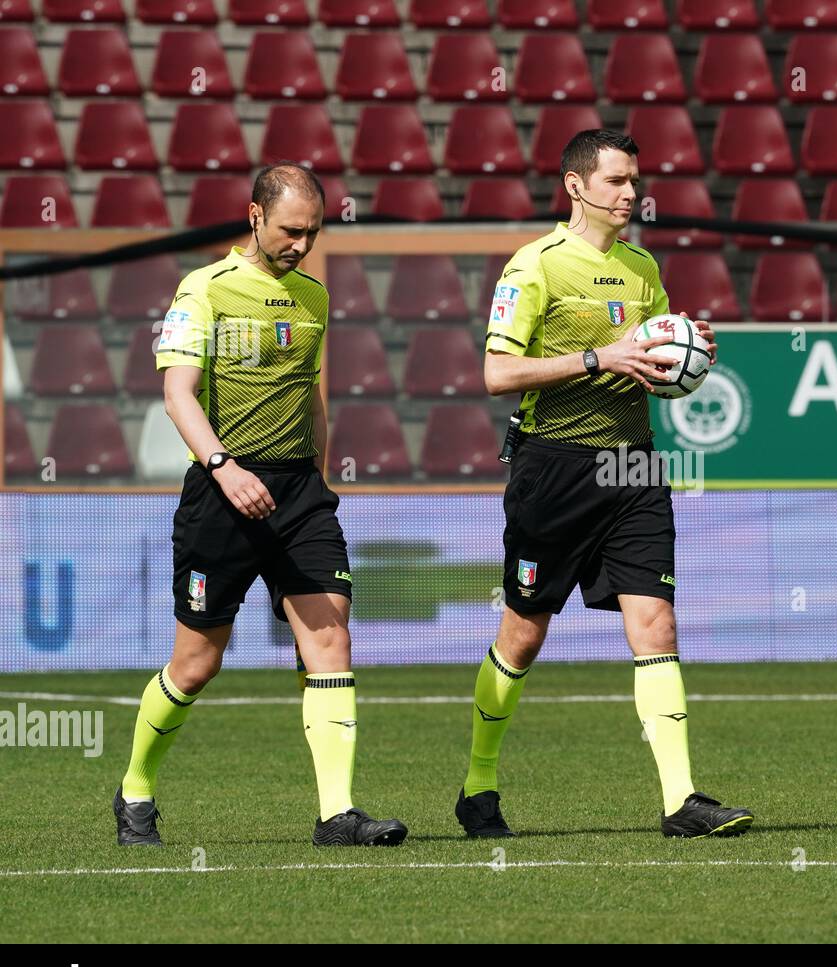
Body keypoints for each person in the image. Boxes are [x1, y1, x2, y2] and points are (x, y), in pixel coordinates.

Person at [456, 128, 753, 839]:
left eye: (635, 181)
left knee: (656, 624)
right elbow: (497, 375)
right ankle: (478, 785)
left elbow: (646, 367)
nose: (630, 193)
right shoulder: (535, 267)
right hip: (553, 468)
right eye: (617, 181)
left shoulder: (642, 267)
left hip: (636, 465)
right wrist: (598, 357)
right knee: (523, 635)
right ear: (576, 186)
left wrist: (686, 355)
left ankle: (681, 800)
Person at [113, 162, 406, 848]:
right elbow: (178, 393)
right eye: (289, 231)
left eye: (313, 232)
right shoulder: (203, 290)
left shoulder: (313, 296)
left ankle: (337, 814)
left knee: (330, 637)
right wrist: (223, 467)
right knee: (196, 664)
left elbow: (311, 395)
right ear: (253, 217)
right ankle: (134, 792)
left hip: (299, 493)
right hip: (222, 494)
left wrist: (319, 480)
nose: (301, 245)